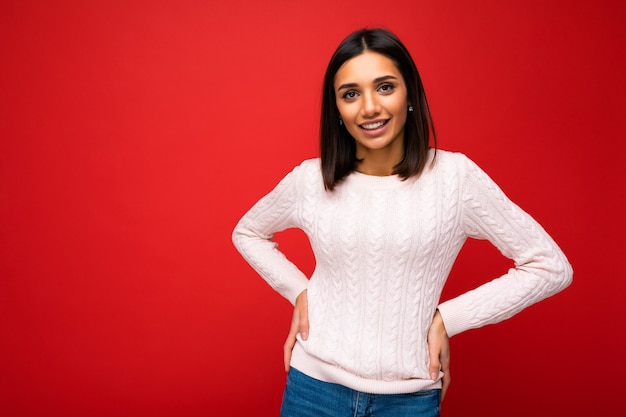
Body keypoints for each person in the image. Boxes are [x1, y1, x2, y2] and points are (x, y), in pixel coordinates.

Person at [232, 27, 572, 417]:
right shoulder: (311, 179)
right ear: (337, 110)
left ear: (409, 93)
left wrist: (448, 318)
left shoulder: (454, 178)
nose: (369, 107)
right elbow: (249, 231)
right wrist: (299, 291)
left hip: (409, 401)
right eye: (351, 94)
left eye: (385, 87)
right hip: (313, 392)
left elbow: (550, 267)